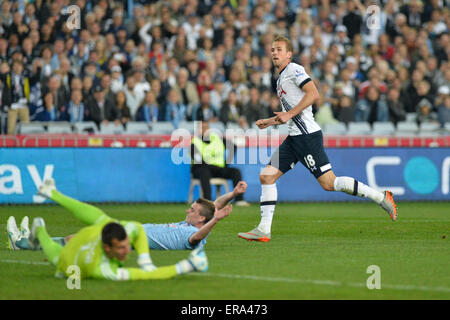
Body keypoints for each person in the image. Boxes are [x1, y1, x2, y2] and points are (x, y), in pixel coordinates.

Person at [238, 35, 398, 242]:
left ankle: (381, 197)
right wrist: (270, 121)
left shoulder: (294, 69)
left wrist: (288, 114)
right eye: (272, 49)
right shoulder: (280, 78)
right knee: (267, 176)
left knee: (329, 183)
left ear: (289, 54)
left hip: (307, 137)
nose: (274, 53)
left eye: (279, 49)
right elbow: (292, 114)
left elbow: (314, 94)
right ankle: (263, 229)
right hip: (294, 138)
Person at [7, 179, 209, 281]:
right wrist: (148, 261)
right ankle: (34, 229)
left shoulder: (107, 260)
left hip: (75, 256)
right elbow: (144, 272)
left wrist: (149, 261)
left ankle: (27, 237)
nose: (126, 252)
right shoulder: (102, 269)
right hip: (76, 258)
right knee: (78, 236)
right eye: (122, 249)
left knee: (77, 236)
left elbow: (204, 226)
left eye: (193, 210)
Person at [7, 179, 246, 251]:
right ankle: (30, 242)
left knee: (84, 235)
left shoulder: (194, 235)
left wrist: (216, 220)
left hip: (127, 238)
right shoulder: (196, 219)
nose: (188, 210)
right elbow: (212, 205)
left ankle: (25, 242)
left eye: (192, 210)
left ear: (201, 219)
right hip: (130, 230)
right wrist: (232, 194)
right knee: (77, 238)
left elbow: (199, 234)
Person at [191, 121, 249, 206]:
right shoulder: (194, 142)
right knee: (204, 171)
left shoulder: (217, 138)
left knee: (236, 171)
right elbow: (198, 160)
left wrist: (226, 163)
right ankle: (208, 201)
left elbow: (233, 147)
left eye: (206, 127)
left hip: (218, 169)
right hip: (201, 169)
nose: (204, 130)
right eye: (202, 128)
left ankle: (239, 200)